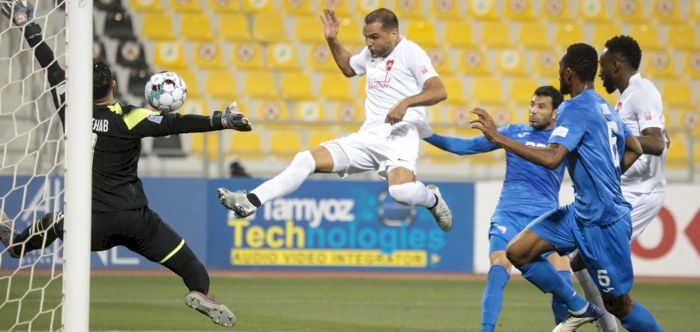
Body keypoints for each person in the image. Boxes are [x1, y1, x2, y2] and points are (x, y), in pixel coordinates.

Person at [0, 1, 250, 327]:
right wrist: (222, 119)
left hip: (88, 226)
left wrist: (27, 24)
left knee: (54, 221)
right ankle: (199, 292)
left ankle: (15, 241)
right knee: (194, 269)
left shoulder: (69, 106)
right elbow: (176, 124)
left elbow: (49, 65)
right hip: (135, 220)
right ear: (113, 87)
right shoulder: (131, 118)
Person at [469, 43, 663, 332]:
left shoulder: (574, 107)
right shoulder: (604, 106)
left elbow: (552, 158)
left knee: (620, 306)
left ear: (569, 72)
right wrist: (607, 175)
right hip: (581, 211)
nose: (559, 74)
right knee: (518, 251)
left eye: (561, 69)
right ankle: (578, 307)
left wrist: (499, 138)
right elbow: (634, 147)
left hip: (604, 221)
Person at [217, 8, 453, 231]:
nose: (369, 43)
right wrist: (332, 40)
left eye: (374, 37)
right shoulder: (372, 53)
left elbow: (439, 91)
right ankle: (250, 200)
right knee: (305, 159)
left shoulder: (410, 52)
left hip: (401, 137)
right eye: (365, 37)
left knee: (401, 194)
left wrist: (405, 103)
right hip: (369, 136)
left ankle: (433, 200)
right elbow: (349, 68)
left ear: (394, 33)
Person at [426, 86, 572, 331]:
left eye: (541, 106)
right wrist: (425, 133)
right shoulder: (512, 132)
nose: (533, 110)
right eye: (532, 104)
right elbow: (463, 147)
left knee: (563, 282)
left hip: (547, 218)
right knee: (498, 269)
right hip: (509, 214)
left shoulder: (564, 140)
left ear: (556, 113)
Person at [571, 35, 668, 332]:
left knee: (604, 279)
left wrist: (611, 138)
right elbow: (655, 136)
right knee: (580, 260)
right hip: (623, 191)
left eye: (602, 67)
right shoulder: (627, 97)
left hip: (641, 193)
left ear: (615, 65)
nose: (599, 73)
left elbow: (655, 141)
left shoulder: (641, 90)